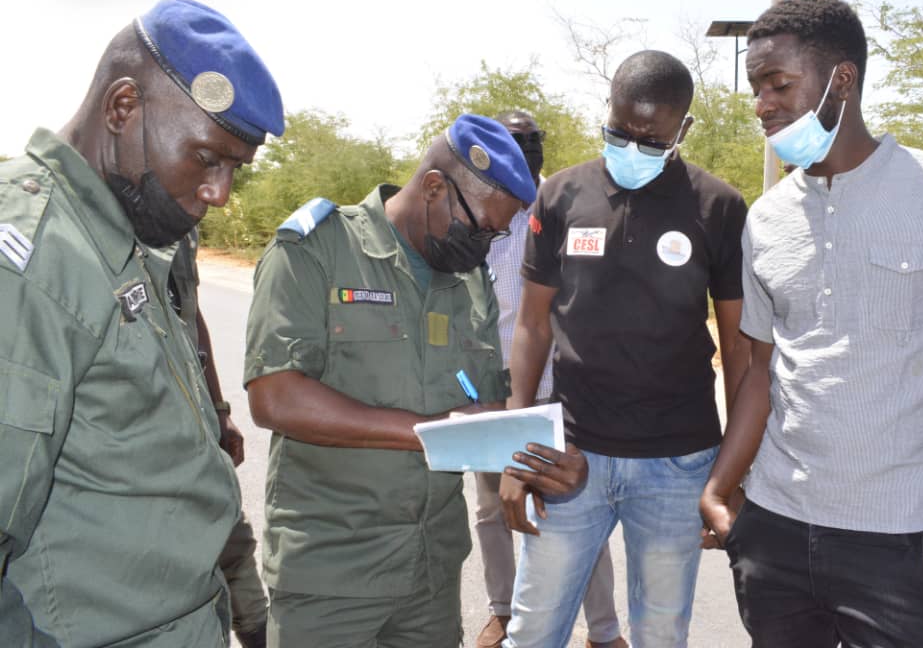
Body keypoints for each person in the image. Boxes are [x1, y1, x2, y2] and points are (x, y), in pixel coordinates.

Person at [699, 0, 923, 648]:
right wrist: (720, 489)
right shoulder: (767, 221)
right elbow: (763, 372)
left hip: (899, 543)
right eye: (755, 89)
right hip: (773, 533)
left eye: (778, 84)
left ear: (842, 80)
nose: (762, 104)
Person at [243, 114, 588, 648]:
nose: (487, 247)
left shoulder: (469, 280)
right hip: (330, 573)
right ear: (433, 188)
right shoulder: (316, 250)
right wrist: (430, 431)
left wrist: (544, 460)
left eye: (498, 235)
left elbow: (486, 411)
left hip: (430, 574)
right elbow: (275, 396)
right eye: (480, 231)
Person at [0, 0, 283, 646]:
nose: (219, 194)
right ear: (123, 108)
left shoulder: (123, 237)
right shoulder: (31, 255)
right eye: (209, 158)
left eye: (234, 169)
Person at [500, 51, 751, 648]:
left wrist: (733, 474)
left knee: (661, 634)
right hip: (570, 457)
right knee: (532, 629)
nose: (633, 146)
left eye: (652, 137)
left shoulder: (718, 207)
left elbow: (740, 350)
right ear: (606, 113)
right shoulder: (559, 196)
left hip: (677, 461)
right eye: (620, 131)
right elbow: (532, 327)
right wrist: (519, 446)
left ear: (683, 129)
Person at [473, 111, 626, 648]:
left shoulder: (563, 207)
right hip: (497, 392)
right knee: (493, 508)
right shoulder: (478, 214)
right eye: (514, 141)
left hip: (560, 394)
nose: (525, 149)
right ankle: (503, 611)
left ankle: (604, 632)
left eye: (533, 140)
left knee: (574, 507)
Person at [170, 228, 269, 648]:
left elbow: (192, 317)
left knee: (232, 538)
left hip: (195, 419)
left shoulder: (179, 230)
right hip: (136, 429)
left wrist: (219, 409)